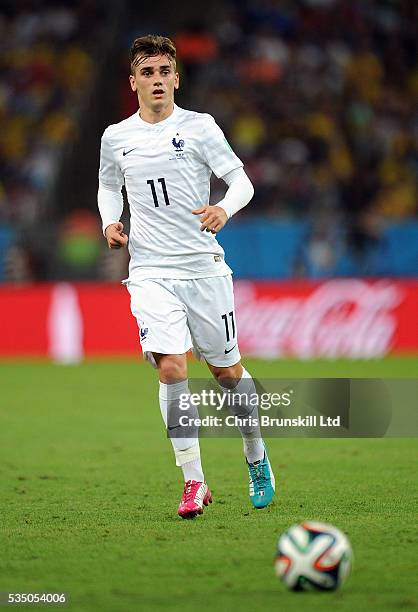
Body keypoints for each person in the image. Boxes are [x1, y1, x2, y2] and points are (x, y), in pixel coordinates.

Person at [97, 35, 275, 518]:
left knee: (226, 373)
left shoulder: (200, 128)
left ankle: (256, 457)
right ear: (133, 82)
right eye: (147, 73)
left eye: (164, 72)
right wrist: (110, 222)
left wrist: (223, 208)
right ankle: (194, 481)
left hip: (203, 269)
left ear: (176, 77)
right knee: (172, 367)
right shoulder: (116, 137)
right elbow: (108, 187)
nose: (157, 80)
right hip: (150, 271)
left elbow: (243, 181)